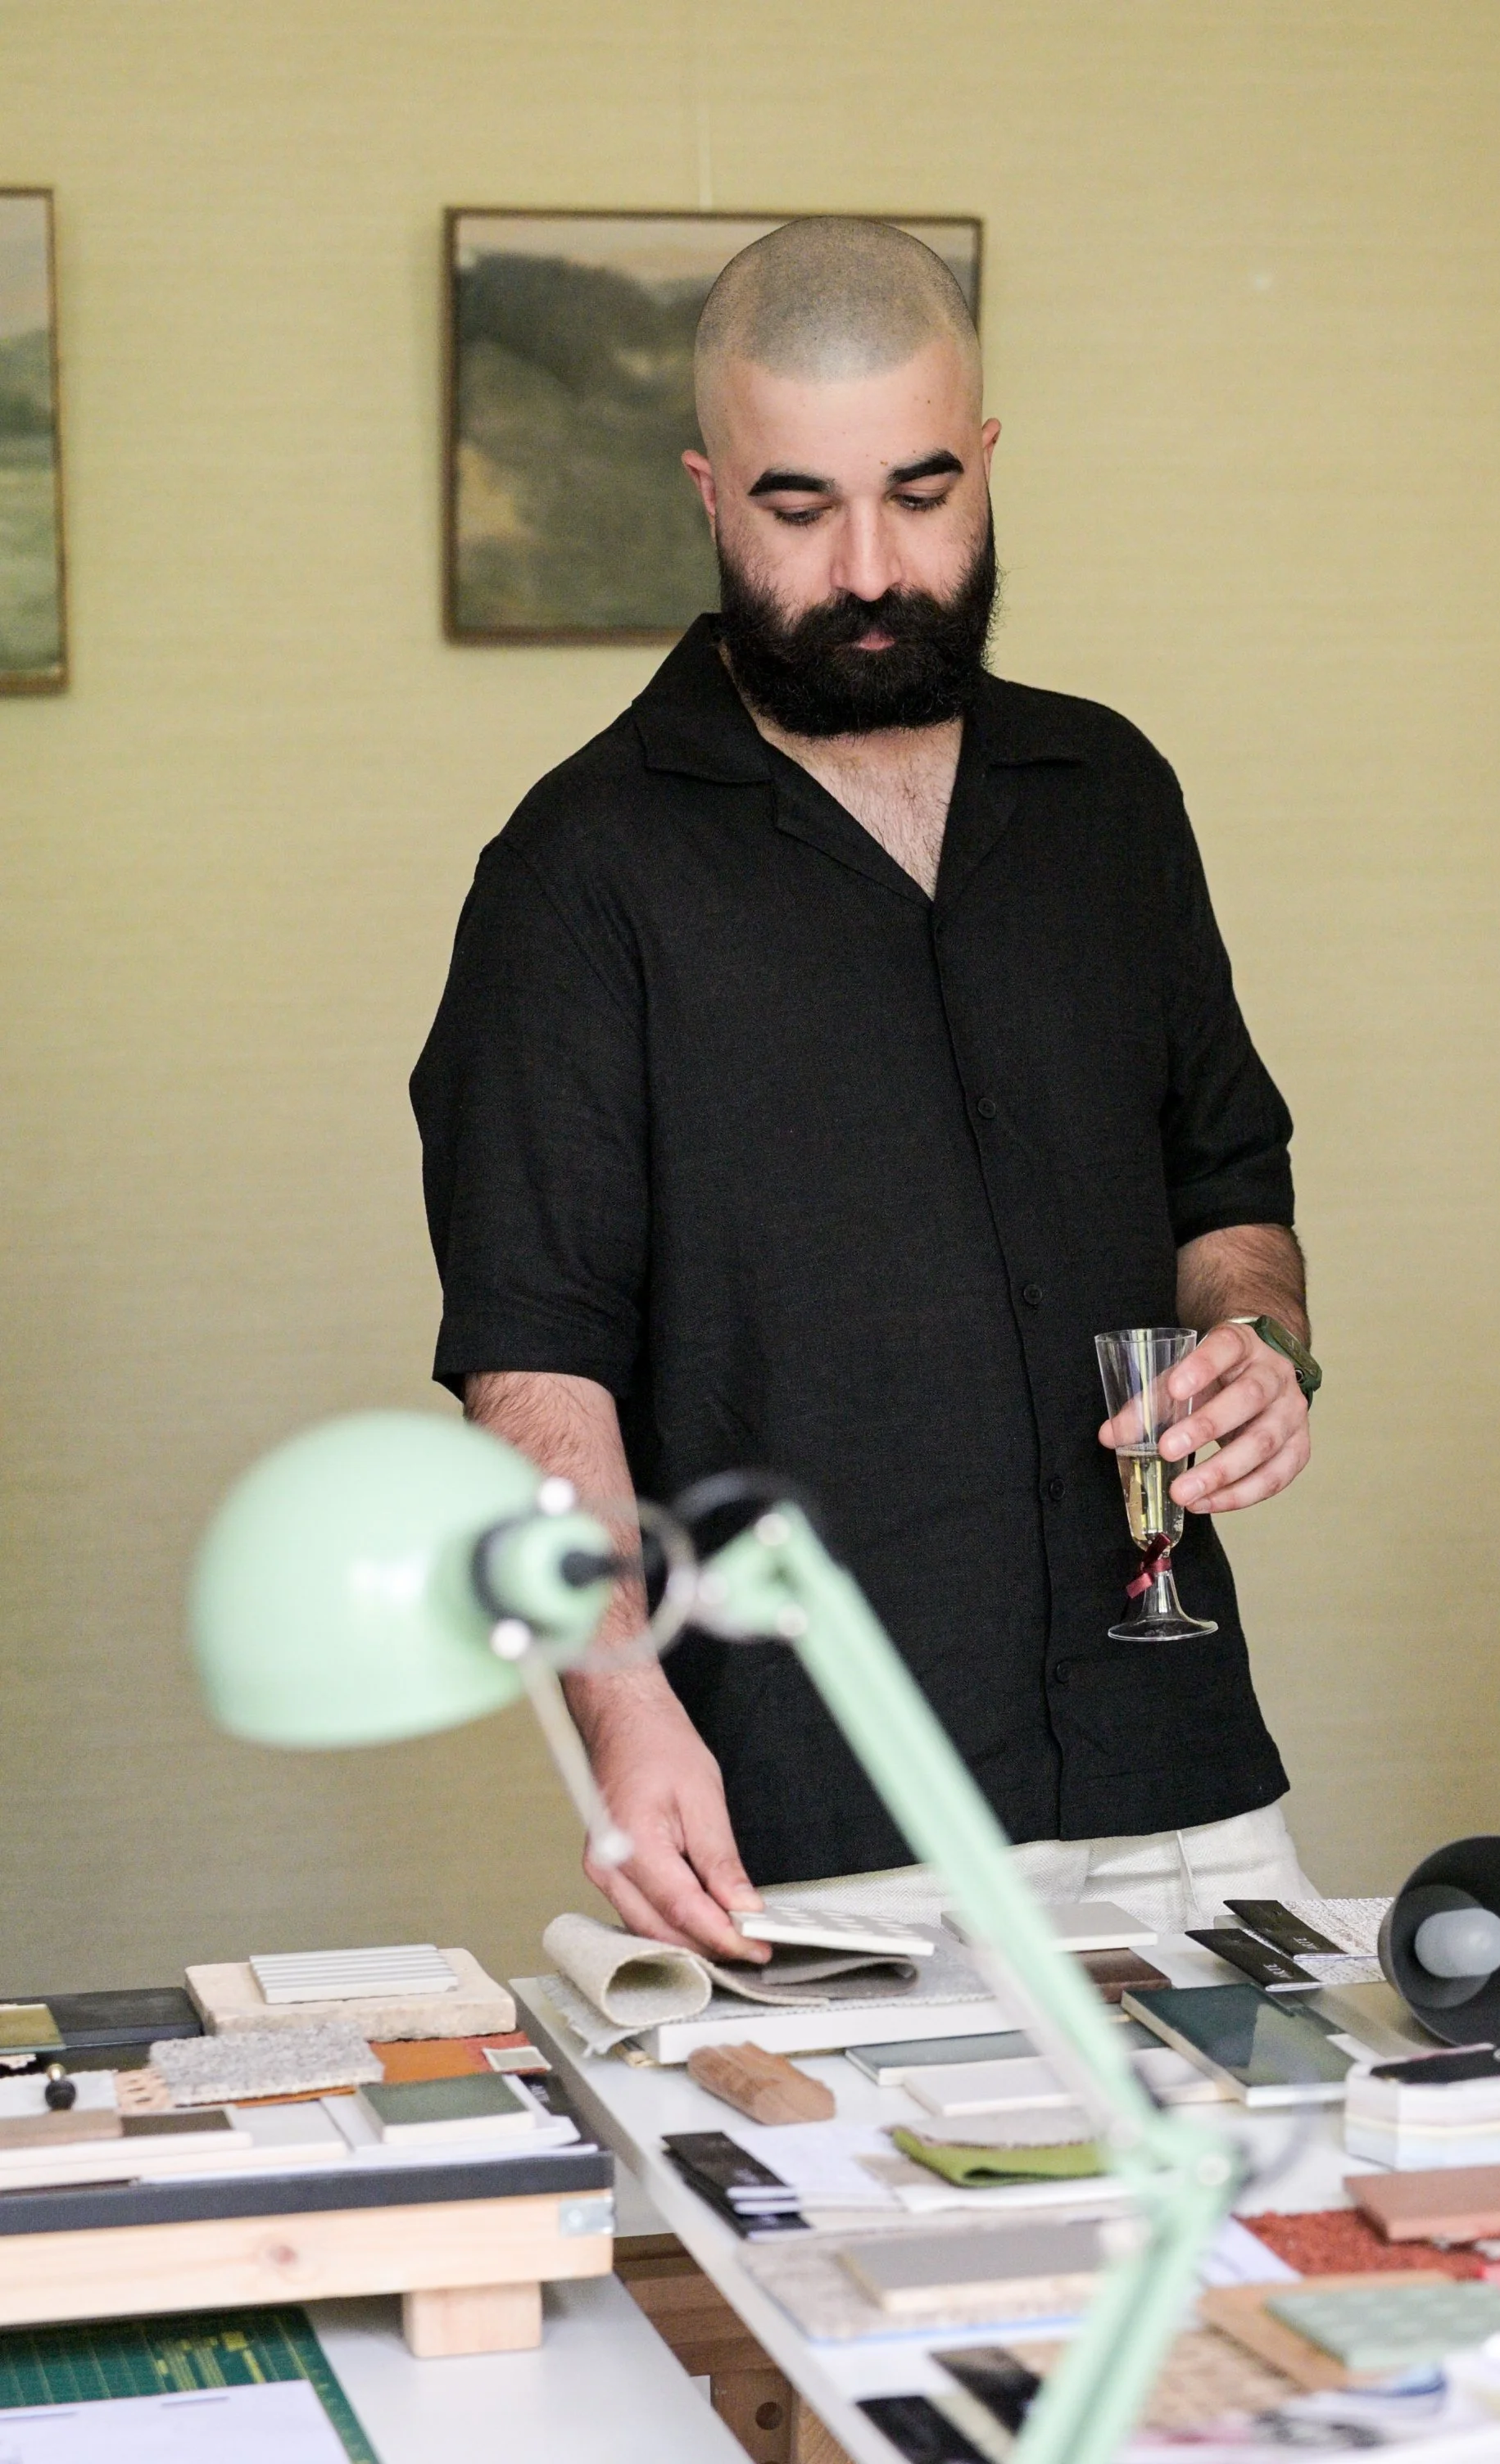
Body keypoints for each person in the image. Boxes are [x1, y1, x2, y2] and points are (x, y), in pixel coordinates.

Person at [411, 216, 1322, 1963]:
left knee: (1285, 2218)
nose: (869, 569)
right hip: (811, 1814)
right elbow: (537, 1364)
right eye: (797, 508)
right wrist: (623, 1713)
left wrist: (1259, 1351)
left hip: (1183, 1772)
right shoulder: (576, 873)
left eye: (919, 493)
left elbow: (1229, 1182)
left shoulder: (1107, 797)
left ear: (983, 460)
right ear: (705, 491)